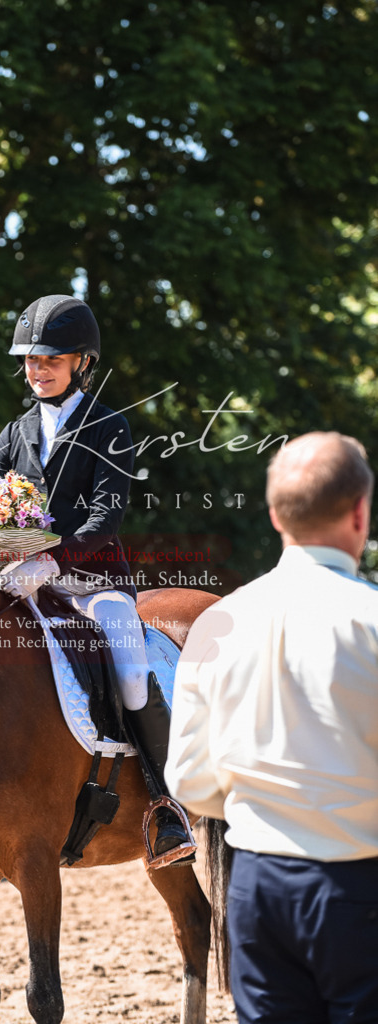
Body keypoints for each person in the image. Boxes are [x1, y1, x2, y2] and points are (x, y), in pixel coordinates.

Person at [0, 294, 194, 865]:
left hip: (95, 585)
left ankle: (164, 808)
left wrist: (50, 560)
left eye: (51, 358)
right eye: (30, 359)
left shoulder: (110, 428)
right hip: (19, 583)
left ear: (82, 362)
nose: (38, 368)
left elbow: (105, 521)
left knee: (129, 670)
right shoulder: (13, 432)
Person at [165, 431, 378, 1024]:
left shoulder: (218, 623)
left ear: (276, 514)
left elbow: (187, 781)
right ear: (360, 513)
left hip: (255, 891)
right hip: (358, 885)